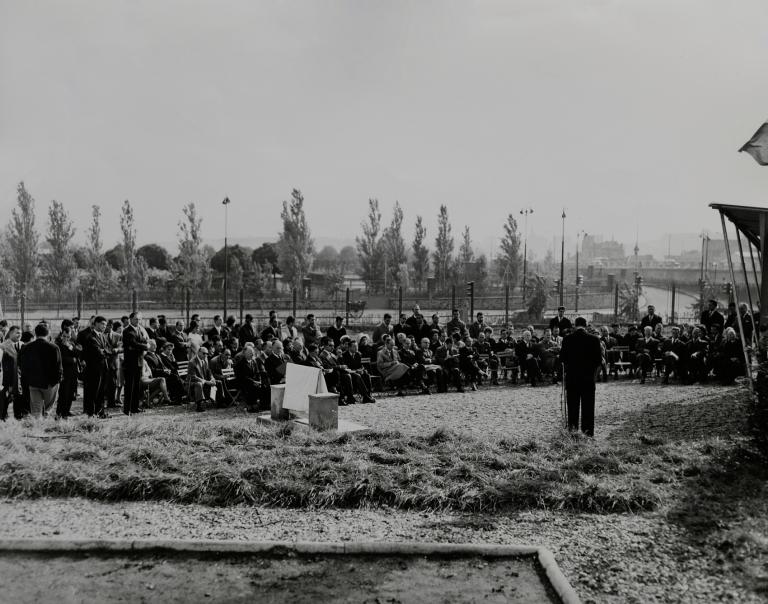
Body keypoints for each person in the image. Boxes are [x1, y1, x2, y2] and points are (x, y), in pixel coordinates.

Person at [558, 316, 602, 437]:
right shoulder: (594, 339)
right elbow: (599, 361)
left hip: (572, 378)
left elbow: (562, 359)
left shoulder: (567, 339)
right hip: (588, 378)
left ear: (575, 325)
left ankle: (573, 432)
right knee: (588, 406)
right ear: (586, 325)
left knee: (572, 406)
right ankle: (588, 433)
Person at [18, 323, 63, 419]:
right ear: (48, 333)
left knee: (36, 410)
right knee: (48, 408)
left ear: (35, 333)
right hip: (50, 383)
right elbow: (58, 367)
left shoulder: (27, 347)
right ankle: (46, 422)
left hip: (33, 383)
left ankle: (37, 428)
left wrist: (28, 380)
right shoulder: (54, 347)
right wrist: (57, 381)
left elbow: (22, 366)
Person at [122, 311, 149, 415]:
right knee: (129, 386)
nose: (138, 321)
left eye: (139, 319)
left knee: (137, 386)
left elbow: (142, 341)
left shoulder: (139, 330)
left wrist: (140, 345)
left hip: (139, 361)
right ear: (131, 319)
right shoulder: (127, 331)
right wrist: (144, 346)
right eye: (136, 319)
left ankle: (135, 407)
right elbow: (133, 343)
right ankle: (127, 409)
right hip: (130, 362)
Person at [0, 326, 24, 420]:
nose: (19, 335)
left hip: (19, 380)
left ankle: (18, 418)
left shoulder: (23, 345)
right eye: (17, 332)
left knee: (18, 402)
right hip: (6, 380)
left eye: (20, 333)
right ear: (10, 333)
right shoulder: (3, 346)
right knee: (4, 402)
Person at [55, 326, 79, 418]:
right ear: (61, 335)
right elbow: (60, 359)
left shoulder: (71, 344)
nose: (66, 338)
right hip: (64, 372)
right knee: (63, 393)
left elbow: (77, 354)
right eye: (64, 336)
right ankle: (60, 412)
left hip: (73, 372)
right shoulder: (58, 345)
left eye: (68, 337)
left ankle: (67, 410)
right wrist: (72, 360)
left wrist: (70, 347)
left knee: (71, 393)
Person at [188, 346, 215, 412]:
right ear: (198, 352)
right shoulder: (192, 362)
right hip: (192, 383)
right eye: (204, 353)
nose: (205, 355)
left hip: (204, 381)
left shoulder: (205, 361)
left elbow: (209, 372)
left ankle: (220, 402)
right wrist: (206, 382)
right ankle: (199, 405)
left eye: (207, 354)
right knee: (199, 384)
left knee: (218, 382)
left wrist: (212, 378)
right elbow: (193, 377)